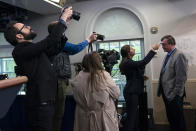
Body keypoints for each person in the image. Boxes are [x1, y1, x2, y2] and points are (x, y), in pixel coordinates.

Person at [3, 6, 73, 131]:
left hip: (47, 101)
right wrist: (62, 20)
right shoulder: (19, 51)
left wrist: (64, 25)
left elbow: (53, 49)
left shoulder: (32, 50)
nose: (29, 27)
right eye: (25, 27)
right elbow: (49, 42)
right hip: (39, 105)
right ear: (19, 36)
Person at [47, 21, 98, 131]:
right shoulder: (57, 41)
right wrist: (88, 40)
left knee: (56, 113)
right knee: (58, 113)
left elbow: (71, 51)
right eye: (62, 28)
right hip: (58, 81)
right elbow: (75, 48)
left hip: (58, 80)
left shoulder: (54, 42)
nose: (64, 30)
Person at [71, 51, 120, 131]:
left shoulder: (78, 77)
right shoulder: (103, 75)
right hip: (102, 119)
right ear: (98, 62)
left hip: (83, 117)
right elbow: (116, 94)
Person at [119, 43, 159, 131]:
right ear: (129, 52)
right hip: (131, 92)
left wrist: (141, 77)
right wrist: (153, 50)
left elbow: (135, 71)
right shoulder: (128, 62)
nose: (134, 49)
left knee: (133, 116)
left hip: (132, 92)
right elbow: (143, 62)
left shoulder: (129, 61)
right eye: (131, 48)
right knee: (132, 117)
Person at [157, 35, 188, 131]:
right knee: (172, 120)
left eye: (164, 44)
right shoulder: (168, 55)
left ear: (171, 43)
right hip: (167, 94)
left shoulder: (179, 55)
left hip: (174, 95)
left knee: (178, 121)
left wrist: (175, 94)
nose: (162, 46)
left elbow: (181, 78)